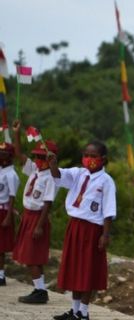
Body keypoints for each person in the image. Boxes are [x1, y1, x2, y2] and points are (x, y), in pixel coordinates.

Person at [49, 141, 117, 320]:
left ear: (103, 160)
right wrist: (53, 164)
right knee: (75, 269)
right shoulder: (78, 173)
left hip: (93, 229)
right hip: (75, 226)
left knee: (88, 271)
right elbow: (58, 175)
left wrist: (105, 233)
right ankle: (75, 309)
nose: (88, 159)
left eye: (93, 156)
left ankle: (84, 313)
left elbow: (109, 211)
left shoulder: (106, 181)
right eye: (86, 155)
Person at [12, 120, 58, 304]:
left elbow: (47, 204)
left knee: (32, 256)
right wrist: (16, 134)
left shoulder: (51, 178)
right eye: (36, 157)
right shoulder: (35, 170)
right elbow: (18, 155)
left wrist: (39, 226)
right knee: (32, 256)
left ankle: (40, 292)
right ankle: (39, 289)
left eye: (42, 158)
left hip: (38, 218)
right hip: (28, 216)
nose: (37, 161)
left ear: (50, 159)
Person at [0, 142, 19, 287]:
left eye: (3, 152)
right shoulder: (1, 170)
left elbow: (12, 196)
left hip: (4, 210)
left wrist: (8, 217)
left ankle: (1, 275)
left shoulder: (11, 175)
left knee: (1, 247)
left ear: (9, 156)